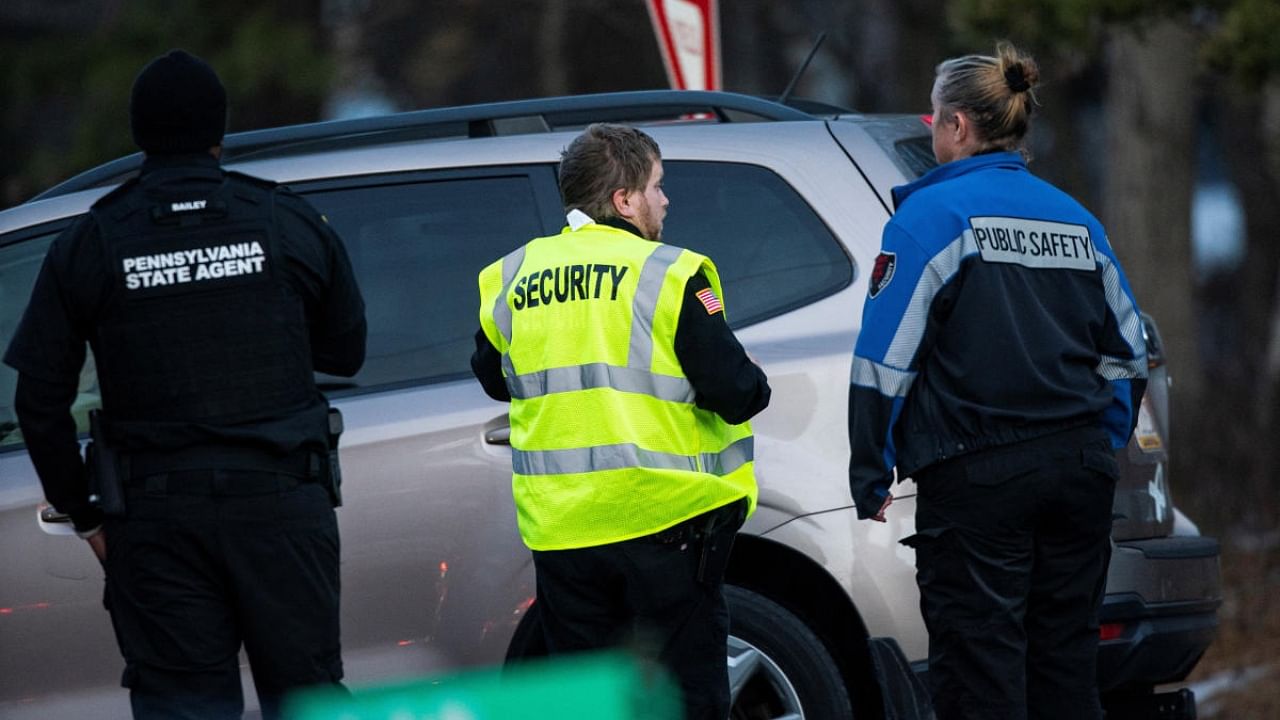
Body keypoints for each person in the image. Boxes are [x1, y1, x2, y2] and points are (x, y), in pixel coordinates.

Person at [4, 50, 366, 720]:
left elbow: (37, 399)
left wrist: (84, 515)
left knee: (184, 709)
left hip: (156, 522)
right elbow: (348, 351)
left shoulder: (94, 238)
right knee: (308, 702)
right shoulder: (285, 220)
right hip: (282, 504)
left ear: (139, 134)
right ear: (218, 132)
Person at [847, 43, 1148, 720]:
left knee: (980, 677)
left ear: (957, 126)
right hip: (1077, 474)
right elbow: (1128, 351)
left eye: (934, 118)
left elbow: (882, 362)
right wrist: (1098, 441)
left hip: (978, 477)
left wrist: (870, 470)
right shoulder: (1078, 221)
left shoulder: (929, 219)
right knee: (1066, 674)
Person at [471, 123, 769, 720]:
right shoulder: (669, 272)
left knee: (594, 707)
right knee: (690, 700)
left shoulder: (511, 276)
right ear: (623, 200)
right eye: (657, 185)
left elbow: (493, 375)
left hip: (566, 534)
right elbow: (740, 393)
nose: (665, 199)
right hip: (667, 526)